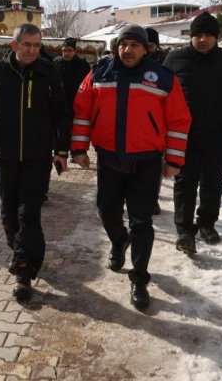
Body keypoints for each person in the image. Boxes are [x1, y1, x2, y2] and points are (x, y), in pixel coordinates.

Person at [71, 25, 191, 311]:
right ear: (116, 47)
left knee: (141, 221)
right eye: (123, 44)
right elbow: (82, 111)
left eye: (135, 45)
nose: (128, 50)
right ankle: (119, 240)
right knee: (107, 211)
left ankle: (139, 278)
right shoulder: (99, 73)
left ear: (146, 48)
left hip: (146, 162)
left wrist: (174, 160)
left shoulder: (162, 78)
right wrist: (79, 148)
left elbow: (178, 121)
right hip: (109, 158)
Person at [0, 23, 70, 303]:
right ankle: (24, 251)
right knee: (9, 213)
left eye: (37, 45)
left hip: (38, 154)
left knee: (28, 212)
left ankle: (24, 269)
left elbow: (61, 112)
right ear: (14, 45)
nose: (33, 50)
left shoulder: (48, 71)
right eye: (27, 44)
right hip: (7, 154)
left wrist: (62, 150)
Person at [163, 11, 222, 256]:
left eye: (208, 35)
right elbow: (159, 97)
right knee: (185, 181)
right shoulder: (174, 59)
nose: (203, 40)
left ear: (216, 38)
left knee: (212, 181)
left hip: (218, 133)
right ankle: (185, 231)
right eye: (198, 35)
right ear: (191, 37)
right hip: (184, 136)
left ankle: (207, 223)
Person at [145, 26, 167, 214]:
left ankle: (152, 199)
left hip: (158, 123)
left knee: (155, 166)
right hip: (138, 123)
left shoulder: (165, 65)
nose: (148, 48)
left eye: (151, 45)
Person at [54, 37, 92, 110]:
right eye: (64, 50)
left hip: (77, 104)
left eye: (69, 50)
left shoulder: (83, 66)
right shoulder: (57, 64)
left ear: (75, 51)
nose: (66, 53)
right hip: (59, 105)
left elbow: (88, 86)